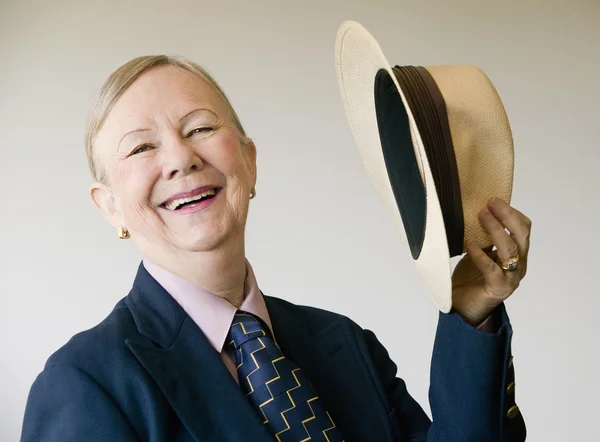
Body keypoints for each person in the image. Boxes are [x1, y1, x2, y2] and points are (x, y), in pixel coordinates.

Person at [21, 55, 530, 441]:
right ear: (109, 207)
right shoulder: (84, 385)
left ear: (249, 162)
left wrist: (469, 315)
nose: (180, 157)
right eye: (141, 147)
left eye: (200, 128)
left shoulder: (344, 341)